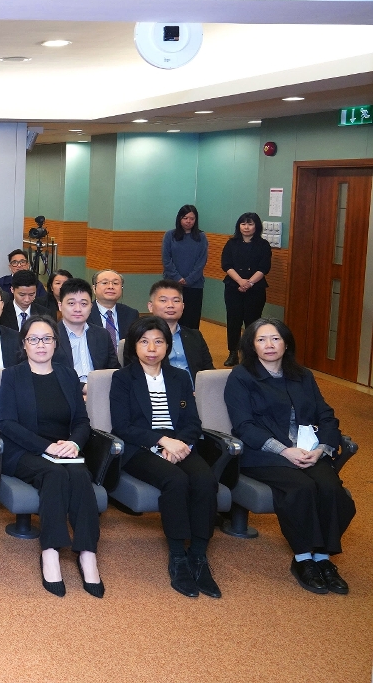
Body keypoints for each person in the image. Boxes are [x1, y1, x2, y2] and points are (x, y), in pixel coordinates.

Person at [224, 318, 355, 595]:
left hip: (309, 451)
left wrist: (321, 449)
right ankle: (304, 559)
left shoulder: (303, 375)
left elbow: (326, 416)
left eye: (275, 338)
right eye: (261, 340)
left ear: (286, 343)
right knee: (301, 488)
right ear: (252, 346)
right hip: (264, 454)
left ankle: (323, 559)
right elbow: (244, 426)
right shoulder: (241, 376)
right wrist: (284, 450)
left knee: (332, 490)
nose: (269, 345)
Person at [110, 315, 220, 599]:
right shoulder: (122, 378)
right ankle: (178, 556)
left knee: (205, 480)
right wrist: (161, 442)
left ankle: (198, 555)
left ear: (168, 346)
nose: (151, 348)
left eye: (158, 342)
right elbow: (122, 426)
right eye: (144, 342)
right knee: (175, 481)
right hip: (140, 447)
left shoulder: (179, 377)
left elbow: (193, 422)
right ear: (134, 346)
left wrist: (178, 444)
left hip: (179, 444)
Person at [0, 316, 103, 598]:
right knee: (54, 473)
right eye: (33, 339)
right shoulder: (12, 375)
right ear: (24, 344)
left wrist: (74, 443)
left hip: (65, 449)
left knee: (80, 475)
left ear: (56, 343)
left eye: (47, 339)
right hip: (24, 450)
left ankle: (87, 552)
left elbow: (82, 421)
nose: (41, 345)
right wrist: (46, 447)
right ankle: (51, 551)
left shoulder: (68, 375)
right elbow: (7, 424)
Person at [221, 212, 272, 366]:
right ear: (239, 226)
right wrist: (240, 281)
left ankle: (251, 355)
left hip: (255, 289)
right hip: (233, 287)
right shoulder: (231, 243)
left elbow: (264, 268)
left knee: (253, 322)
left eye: (250, 224)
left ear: (256, 226)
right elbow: (226, 265)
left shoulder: (263, 245)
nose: (246, 227)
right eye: (243, 224)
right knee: (233, 321)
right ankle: (233, 353)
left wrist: (249, 283)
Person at [52, 278, 119, 386]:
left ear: (91, 307)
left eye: (83, 304)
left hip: (100, 390)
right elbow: (49, 375)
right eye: (71, 303)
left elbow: (114, 371)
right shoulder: (50, 336)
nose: (78, 309)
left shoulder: (102, 335)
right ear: (60, 306)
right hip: (64, 392)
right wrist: (82, 388)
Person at [146, 280, 214, 382]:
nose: (170, 305)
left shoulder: (195, 336)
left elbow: (209, 371)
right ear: (150, 307)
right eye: (163, 300)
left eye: (176, 301)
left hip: (196, 390)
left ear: (183, 306)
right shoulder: (141, 338)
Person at [161, 205, 207, 329]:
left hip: (195, 285)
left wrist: (189, 279)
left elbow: (202, 261)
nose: (188, 221)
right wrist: (177, 277)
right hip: (172, 283)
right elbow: (166, 259)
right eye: (185, 218)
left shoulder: (201, 237)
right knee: (171, 317)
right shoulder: (170, 235)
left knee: (191, 320)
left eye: (192, 218)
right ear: (179, 218)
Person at [87, 270, 139, 347]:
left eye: (115, 283)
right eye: (105, 283)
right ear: (94, 288)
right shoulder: (85, 313)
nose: (110, 287)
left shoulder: (131, 314)